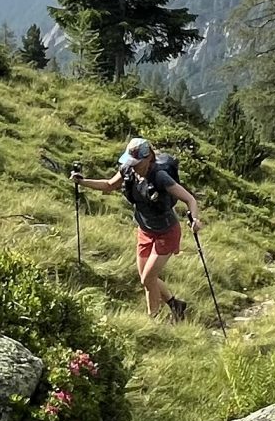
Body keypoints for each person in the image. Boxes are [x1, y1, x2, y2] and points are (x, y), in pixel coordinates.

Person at [72, 137, 206, 320]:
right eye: (131, 162)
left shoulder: (160, 177)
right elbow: (110, 185)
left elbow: (189, 199)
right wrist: (82, 182)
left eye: (136, 162)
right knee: (147, 277)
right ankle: (176, 305)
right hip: (145, 231)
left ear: (148, 158)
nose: (132, 166)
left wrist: (195, 219)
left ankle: (153, 319)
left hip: (166, 233)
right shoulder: (128, 171)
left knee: (147, 279)